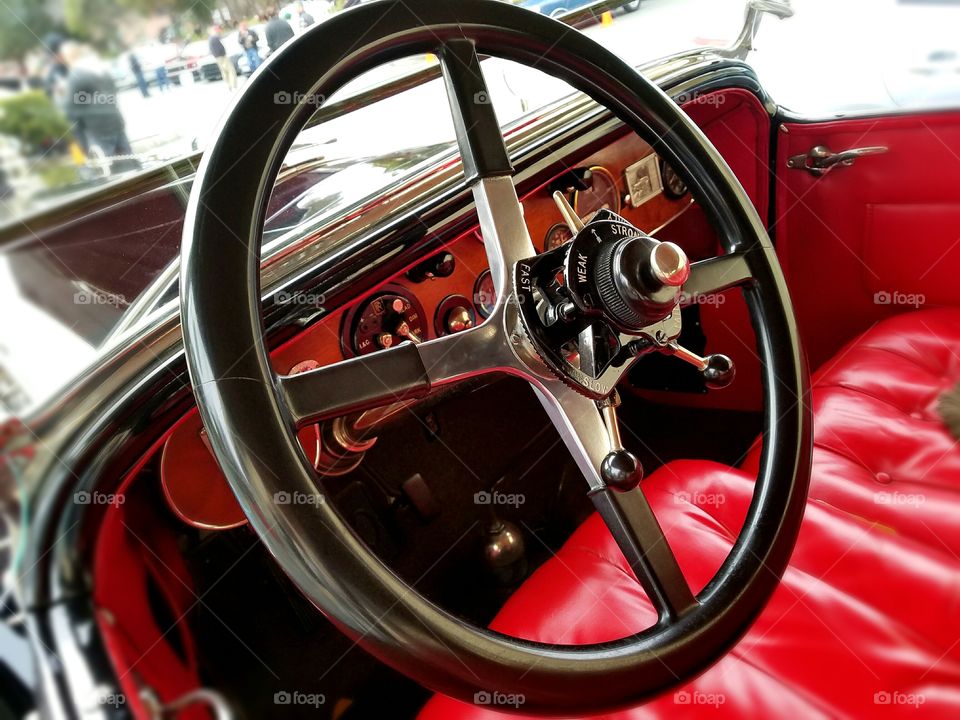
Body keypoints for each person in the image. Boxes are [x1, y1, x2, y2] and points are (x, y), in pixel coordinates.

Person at [60, 42, 139, 173]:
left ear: (68, 57)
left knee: (109, 167)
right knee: (128, 158)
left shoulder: (76, 75)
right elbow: (113, 92)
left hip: (96, 127)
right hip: (115, 119)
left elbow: (71, 111)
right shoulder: (102, 69)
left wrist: (79, 143)